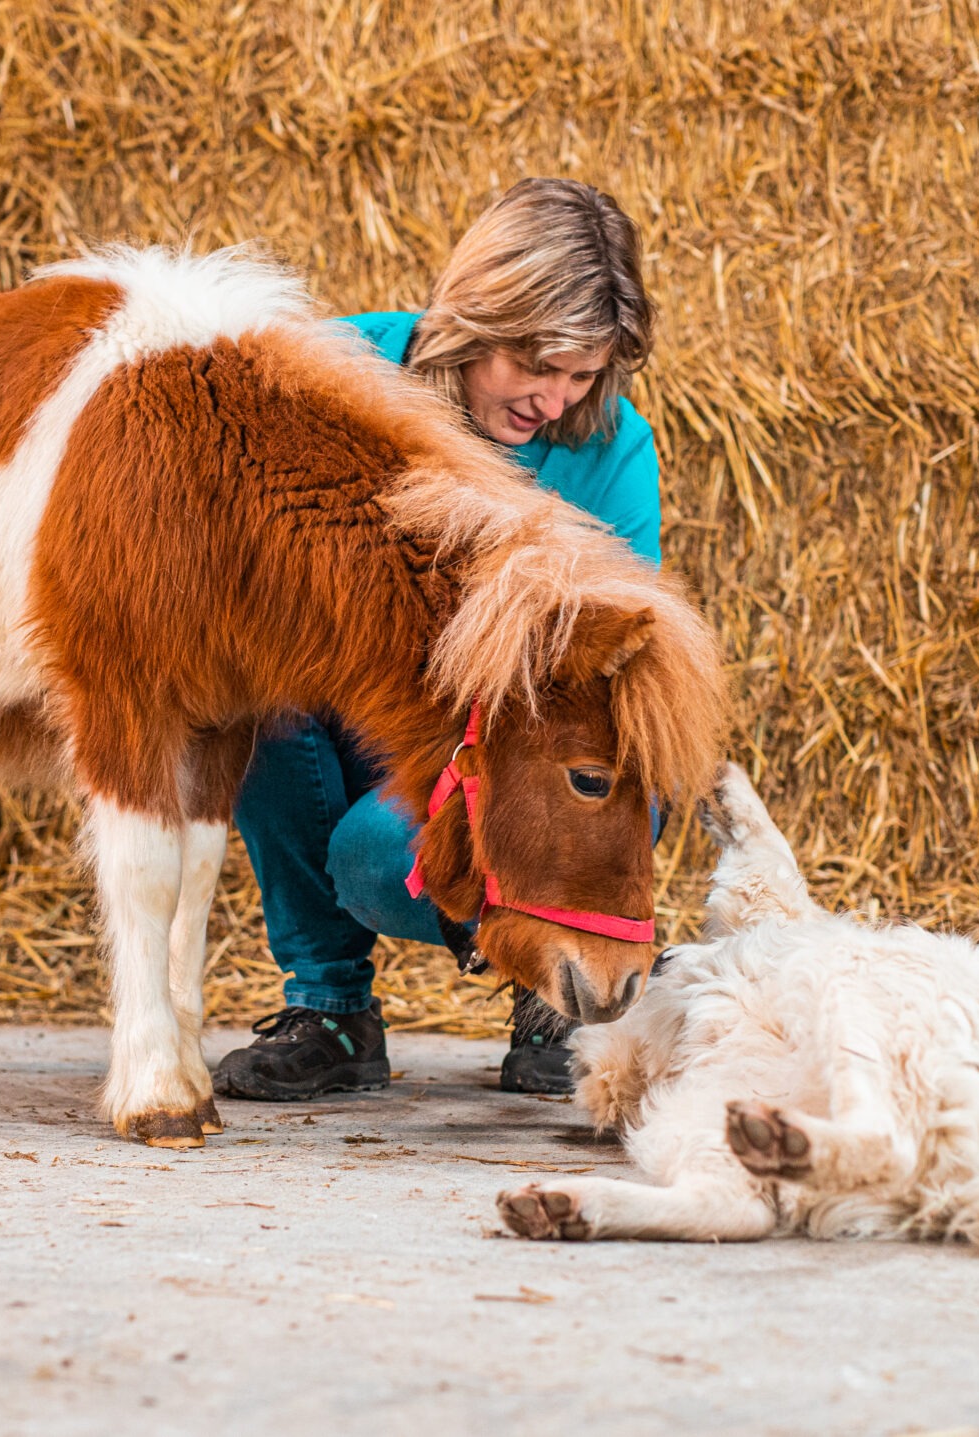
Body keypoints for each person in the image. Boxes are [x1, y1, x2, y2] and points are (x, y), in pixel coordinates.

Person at [215, 177, 664, 1102]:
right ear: (474, 316)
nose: (555, 397)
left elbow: (621, 674)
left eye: (582, 373)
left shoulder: (613, 446)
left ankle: (556, 987)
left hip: (520, 747)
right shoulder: (337, 370)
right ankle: (330, 1012)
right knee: (257, 711)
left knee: (380, 860)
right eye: (533, 362)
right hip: (354, 722)